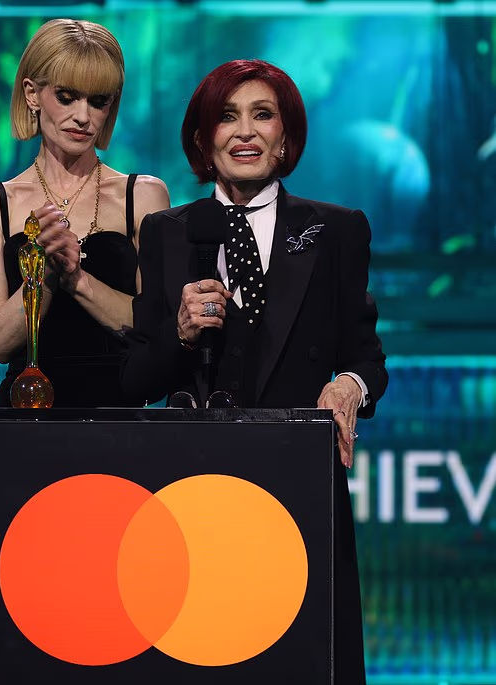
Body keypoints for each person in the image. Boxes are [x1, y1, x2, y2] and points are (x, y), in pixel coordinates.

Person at [122, 59, 388, 683]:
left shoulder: (336, 230)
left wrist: (348, 387)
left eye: (262, 115)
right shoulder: (166, 233)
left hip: (298, 488)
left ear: (285, 137)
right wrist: (180, 334)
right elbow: (135, 380)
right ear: (202, 140)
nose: (245, 131)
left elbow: (366, 358)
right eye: (227, 117)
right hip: (193, 494)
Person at [0, 18, 169, 407]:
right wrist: (44, 276)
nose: (83, 117)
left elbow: (155, 328)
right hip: (28, 412)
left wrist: (75, 278)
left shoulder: (142, 195)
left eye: (98, 101)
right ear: (32, 94)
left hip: (119, 412)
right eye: (67, 96)